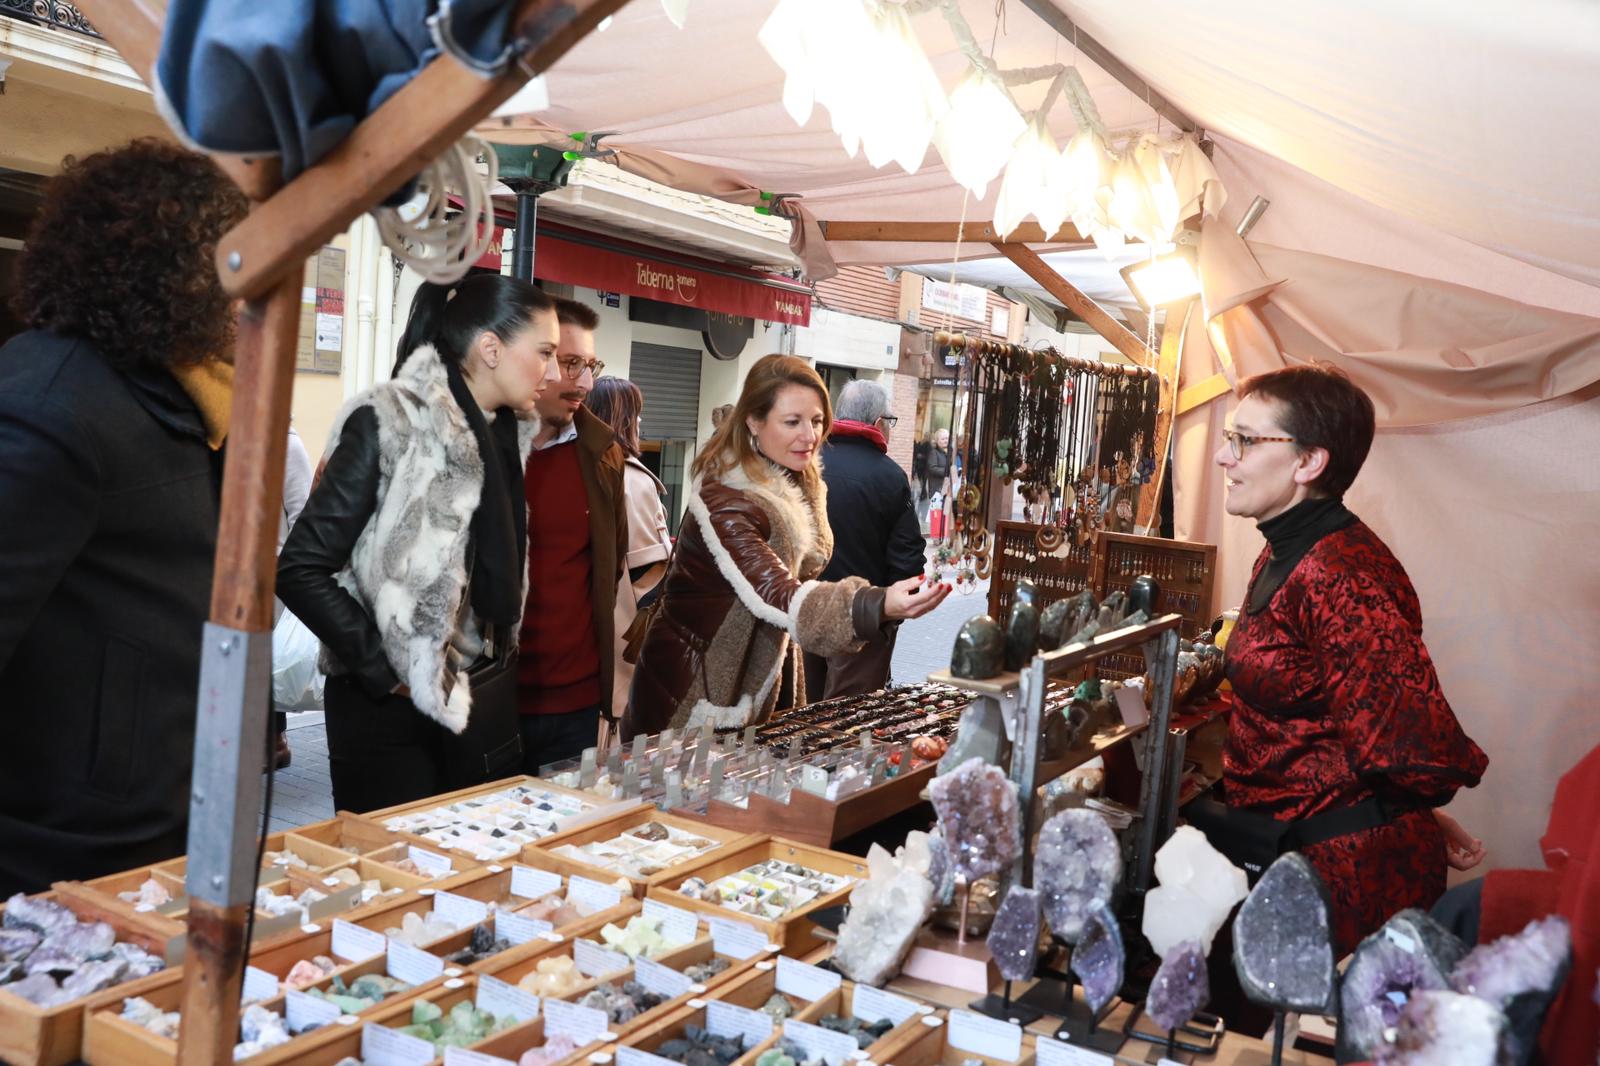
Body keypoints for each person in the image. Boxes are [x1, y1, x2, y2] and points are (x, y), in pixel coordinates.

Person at [0, 139, 247, 893]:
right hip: (60, 851)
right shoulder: (51, 408)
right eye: (240, 267)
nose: (255, 297)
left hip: (158, 825)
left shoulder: (188, 395)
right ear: (181, 269)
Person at [1213, 363, 1488, 956]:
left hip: (1346, 878)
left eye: (1245, 440)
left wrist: (1402, 811)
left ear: (1309, 462)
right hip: (1294, 851)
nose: (1224, 456)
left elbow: (1412, 743)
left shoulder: (1341, 575)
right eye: (1229, 438)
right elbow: (1341, 721)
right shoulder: (1288, 549)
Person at [277, 275, 559, 812]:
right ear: (491, 348)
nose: (549, 370)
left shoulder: (501, 438)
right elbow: (300, 566)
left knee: (468, 877)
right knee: (395, 877)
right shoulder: (388, 424)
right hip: (386, 713)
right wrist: (389, 671)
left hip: (476, 696)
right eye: (543, 351)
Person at [624, 355, 950, 739]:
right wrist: (876, 604)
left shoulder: (794, 481)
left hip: (753, 683)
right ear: (754, 422)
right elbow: (778, 593)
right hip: (693, 693)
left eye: (816, 421)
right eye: (792, 422)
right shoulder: (727, 498)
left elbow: (807, 564)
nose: (810, 435)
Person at [518, 298, 627, 769]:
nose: (585, 382)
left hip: (578, 703)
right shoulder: (481, 450)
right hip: (493, 698)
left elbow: (610, 566)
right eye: (570, 363)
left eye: (590, 365)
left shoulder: (603, 454)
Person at [802, 379, 924, 700]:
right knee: (848, 721)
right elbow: (907, 560)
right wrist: (891, 616)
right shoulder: (889, 477)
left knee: (800, 715)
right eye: (891, 422)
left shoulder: (806, 464)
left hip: (805, 609)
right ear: (878, 423)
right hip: (863, 618)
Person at [586, 375, 673, 736]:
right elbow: (646, 569)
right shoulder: (631, 478)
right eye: (636, 415)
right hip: (622, 636)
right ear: (621, 418)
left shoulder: (582, 465)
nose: (640, 424)